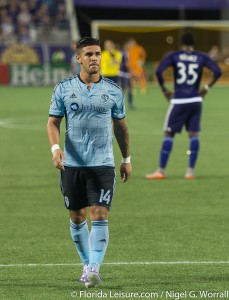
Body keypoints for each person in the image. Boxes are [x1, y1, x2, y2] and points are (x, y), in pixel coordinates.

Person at [47, 37, 132, 288]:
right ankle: (86, 264)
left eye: (97, 54)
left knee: (100, 214)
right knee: (77, 216)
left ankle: (94, 268)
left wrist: (126, 158)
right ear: (79, 59)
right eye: (89, 54)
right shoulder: (63, 89)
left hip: (103, 163)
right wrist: (55, 149)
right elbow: (53, 122)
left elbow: (121, 127)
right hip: (72, 164)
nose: (94, 58)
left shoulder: (114, 90)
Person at [145, 33, 222, 180]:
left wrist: (164, 90)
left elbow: (158, 70)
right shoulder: (202, 56)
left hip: (179, 100)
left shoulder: (175, 56)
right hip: (196, 99)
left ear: (181, 43)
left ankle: (161, 170)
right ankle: (190, 171)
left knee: (169, 133)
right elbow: (218, 71)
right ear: (194, 43)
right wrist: (206, 88)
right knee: (193, 134)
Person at [119, 41, 134, 110]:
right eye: (130, 44)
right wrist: (131, 72)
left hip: (124, 73)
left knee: (126, 89)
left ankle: (128, 104)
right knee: (126, 89)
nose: (132, 46)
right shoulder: (125, 53)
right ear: (126, 45)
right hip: (124, 74)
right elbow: (126, 64)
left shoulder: (126, 53)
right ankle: (123, 104)